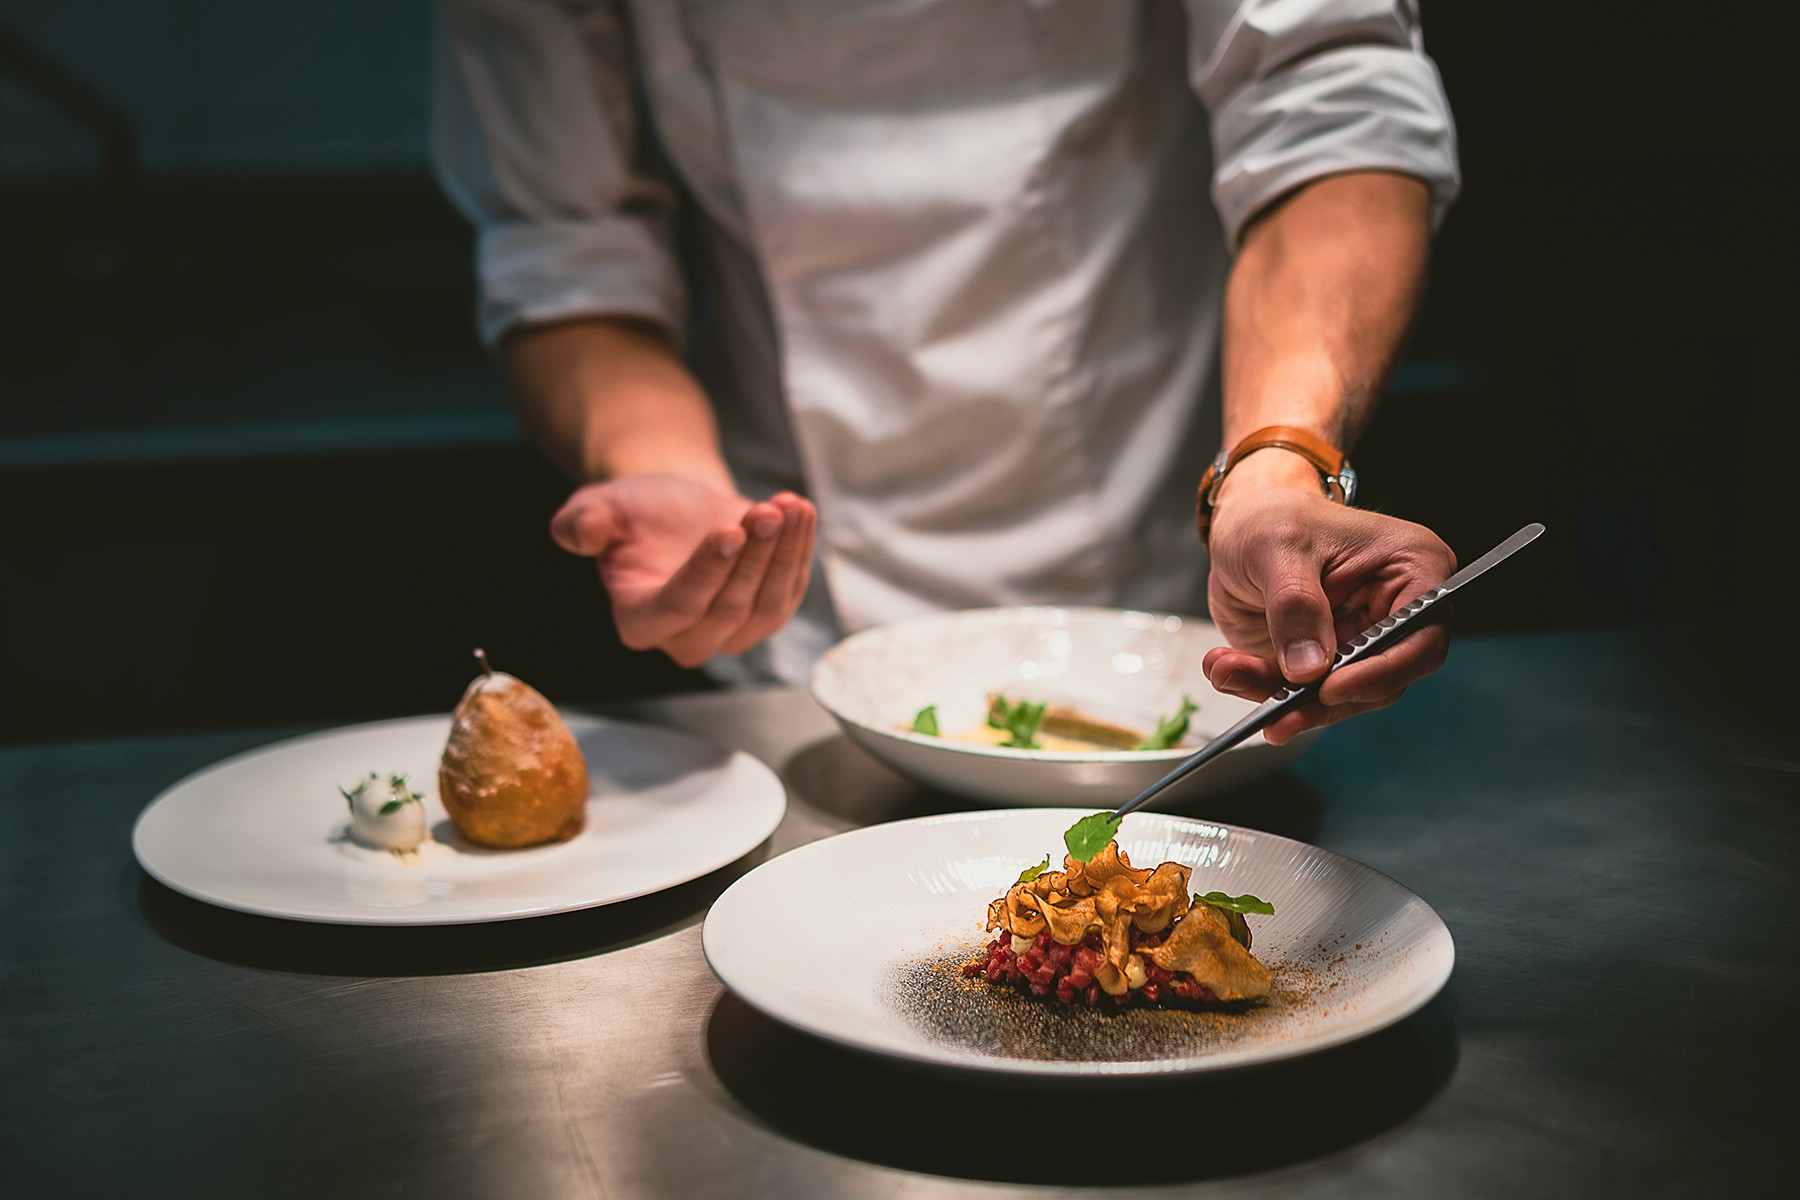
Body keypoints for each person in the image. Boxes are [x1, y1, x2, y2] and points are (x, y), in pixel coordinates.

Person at [432, 0, 1460, 746]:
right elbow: (564, 240)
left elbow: (1325, 100)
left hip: (1163, 592)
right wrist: (665, 469)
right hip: (790, 619)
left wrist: (1278, 463)